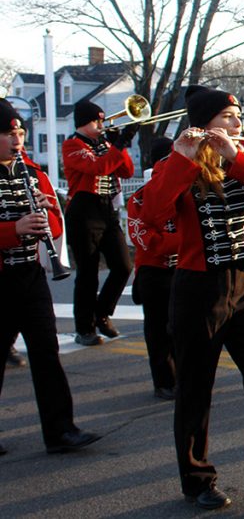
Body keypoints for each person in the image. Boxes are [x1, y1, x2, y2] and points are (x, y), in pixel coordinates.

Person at [141, 86, 244, 509]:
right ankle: (197, 479)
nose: (237, 124)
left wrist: (235, 157)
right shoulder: (173, 165)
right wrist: (183, 157)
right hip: (197, 288)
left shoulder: (242, 162)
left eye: (238, 117)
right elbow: (152, 212)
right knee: (196, 391)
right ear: (205, 123)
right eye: (228, 117)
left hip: (242, 286)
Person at [0, 98, 102, 455]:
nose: (17, 140)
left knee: (47, 352)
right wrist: (13, 228)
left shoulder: (32, 172)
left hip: (29, 274)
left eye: (20, 133)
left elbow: (55, 224)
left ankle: (60, 430)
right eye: (8, 134)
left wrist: (46, 213)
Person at [62, 100, 136, 346]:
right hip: (84, 210)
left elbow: (126, 171)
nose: (101, 125)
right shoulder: (72, 144)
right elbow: (98, 167)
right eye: (97, 121)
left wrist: (121, 145)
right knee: (88, 272)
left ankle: (101, 312)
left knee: (123, 265)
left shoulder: (104, 144)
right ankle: (84, 328)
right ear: (84, 122)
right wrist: (117, 145)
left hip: (107, 209)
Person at [126, 136, 178, 401]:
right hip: (154, 272)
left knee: (182, 328)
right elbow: (146, 240)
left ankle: (183, 376)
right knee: (158, 330)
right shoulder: (139, 197)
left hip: (182, 270)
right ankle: (163, 380)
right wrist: (184, 242)